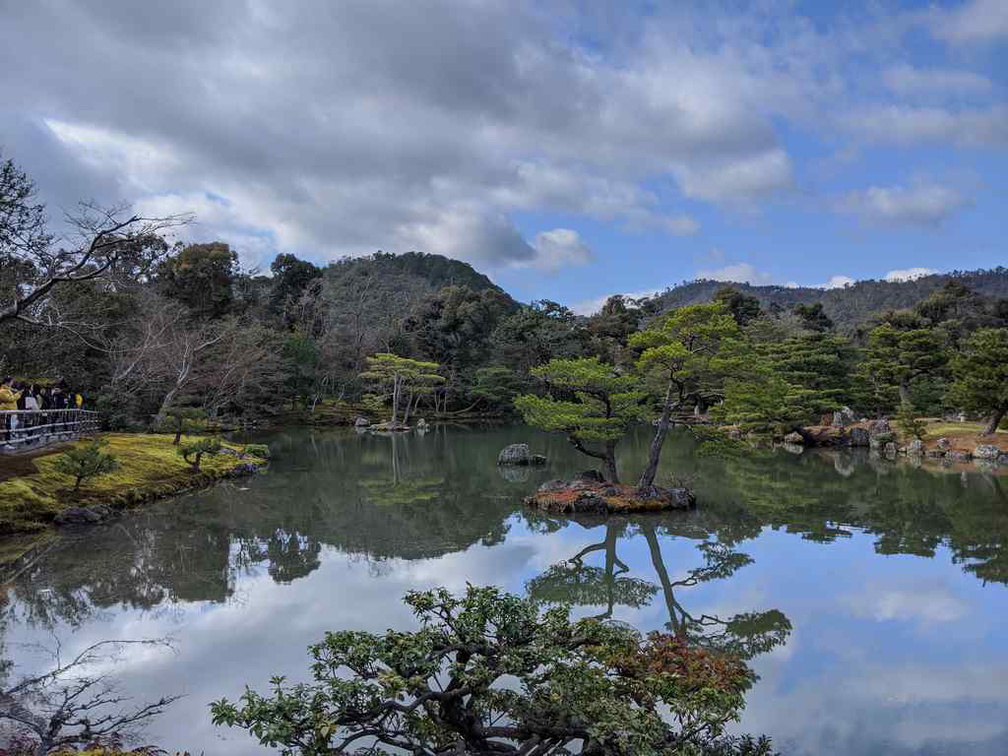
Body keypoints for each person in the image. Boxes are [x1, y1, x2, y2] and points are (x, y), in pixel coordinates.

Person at [1, 378, 23, 445]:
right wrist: (18, 394)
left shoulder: (8, 390)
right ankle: (6, 443)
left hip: (10, 412)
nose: (12, 383)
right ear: (7, 382)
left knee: (10, 427)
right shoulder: (2, 391)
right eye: (11, 382)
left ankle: (8, 442)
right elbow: (9, 399)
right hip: (6, 412)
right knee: (7, 427)